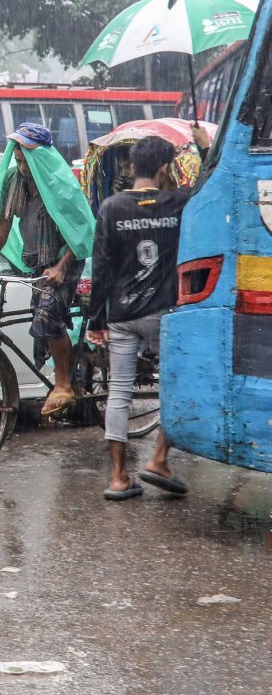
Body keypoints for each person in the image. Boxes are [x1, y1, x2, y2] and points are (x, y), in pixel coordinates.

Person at [89, 131, 209, 501]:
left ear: (132, 167)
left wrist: (96, 320)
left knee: (119, 394)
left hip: (122, 315)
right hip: (165, 314)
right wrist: (204, 147)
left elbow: (102, 269)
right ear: (161, 168)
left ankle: (119, 477)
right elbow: (211, 186)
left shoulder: (111, 208)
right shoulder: (179, 202)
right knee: (177, 386)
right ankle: (158, 458)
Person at [0, 121, 96, 418]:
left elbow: (80, 229)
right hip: (36, 262)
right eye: (18, 159)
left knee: (48, 315)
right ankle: (70, 376)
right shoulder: (13, 180)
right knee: (40, 328)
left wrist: (60, 266)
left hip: (63, 261)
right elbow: (3, 224)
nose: (21, 165)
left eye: (26, 160)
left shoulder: (59, 182)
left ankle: (63, 385)